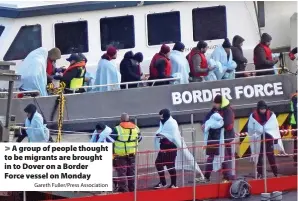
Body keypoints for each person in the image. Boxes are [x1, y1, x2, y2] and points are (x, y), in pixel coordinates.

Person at [154, 109, 204, 189]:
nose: (160, 118)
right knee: (158, 163)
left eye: (161, 116)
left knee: (170, 166)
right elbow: (161, 130)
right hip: (163, 147)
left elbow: (173, 135)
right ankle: (163, 182)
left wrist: (162, 134)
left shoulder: (172, 123)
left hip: (171, 147)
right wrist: (159, 134)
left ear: (165, 115)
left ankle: (174, 184)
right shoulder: (162, 122)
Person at [202, 95, 236, 182]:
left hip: (225, 138)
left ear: (220, 103)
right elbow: (207, 117)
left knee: (224, 157)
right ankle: (207, 176)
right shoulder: (214, 110)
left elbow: (227, 123)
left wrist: (212, 125)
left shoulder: (228, 111)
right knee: (212, 156)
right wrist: (205, 123)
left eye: (216, 103)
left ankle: (226, 176)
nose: (214, 104)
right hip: (215, 137)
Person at [247, 100, 285, 178]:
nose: (263, 110)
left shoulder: (271, 115)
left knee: (270, 155)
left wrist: (275, 139)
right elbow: (250, 128)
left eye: (264, 109)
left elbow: (274, 127)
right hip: (258, 139)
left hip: (268, 138)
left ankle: (275, 173)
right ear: (258, 109)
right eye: (261, 109)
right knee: (259, 156)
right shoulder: (253, 116)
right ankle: (260, 173)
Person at [106, 113, 142, 192]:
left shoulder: (117, 129)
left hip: (121, 155)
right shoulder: (136, 128)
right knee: (131, 172)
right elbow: (139, 139)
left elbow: (108, 140)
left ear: (121, 119)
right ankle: (132, 190)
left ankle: (124, 190)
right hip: (132, 154)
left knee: (122, 173)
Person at [201, 110, 225, 182]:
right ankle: (223, 175)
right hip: (217, 143)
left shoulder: (209, 123)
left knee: (210, 160)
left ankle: (207, 176)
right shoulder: (221, 123)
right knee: (217, 159)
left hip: (210, 143)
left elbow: (205, 130)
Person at [288, 92, 297, 166]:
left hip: (294, 123)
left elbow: (292, 110)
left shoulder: (294, 97)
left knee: (296, 142)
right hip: (295, 122)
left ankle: (296, 159)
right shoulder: (295, 98)